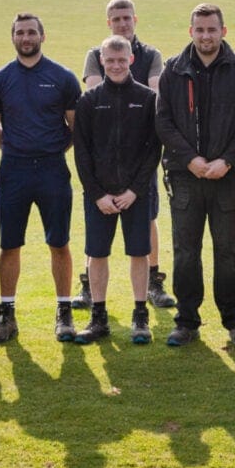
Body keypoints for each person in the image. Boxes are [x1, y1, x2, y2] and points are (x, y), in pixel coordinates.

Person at [154, 3, 235, 347]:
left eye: (212, 29)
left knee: (228, 251)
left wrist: (227, 161)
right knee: (186, 251)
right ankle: (186, 321)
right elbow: (164, 122)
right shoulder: (174, 69)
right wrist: (191, 160)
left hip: (226, 176)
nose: (206, 36)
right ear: (190, 32)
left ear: (223, 31)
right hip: (185, 176)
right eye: (199, 30)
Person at [0, 13, 82, 344]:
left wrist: (54, 149)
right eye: (20, 32)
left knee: (59, 242)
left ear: (43, 36)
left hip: (52, 169)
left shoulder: (62, 77)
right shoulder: (0, 79)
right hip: (13, 170)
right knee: (9, 243)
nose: (26, 38)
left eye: (32, 32)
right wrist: (11, 148)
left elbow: (74, 127)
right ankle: (6, 316)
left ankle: (64, 313)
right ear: (12, 37)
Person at [80, 0, 174, 310]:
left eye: (127, 18)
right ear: (109, 22)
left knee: (147, 221)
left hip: (139, 160)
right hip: (105, 160)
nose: (122, 23)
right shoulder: (96, 54)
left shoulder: (151, 55)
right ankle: (89, 288)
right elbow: (95, 93)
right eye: (116, 19)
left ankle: (153, 283)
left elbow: (155, 94)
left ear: (135, 19)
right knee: (97, 236)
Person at [73, 36, 163, 345]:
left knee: (139, 252)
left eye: (121, 60)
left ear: (131, 60)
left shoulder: (147, 98)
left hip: (135, 194)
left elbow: (154, 150)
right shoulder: (89, 100)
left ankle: (140, 316)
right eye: (109, 61)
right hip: (99, 196)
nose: (115, 65)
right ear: (101, 60)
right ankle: (98, 318)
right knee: (97, 253)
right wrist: (97, 193)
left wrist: (134, 191)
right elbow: (81, 152)